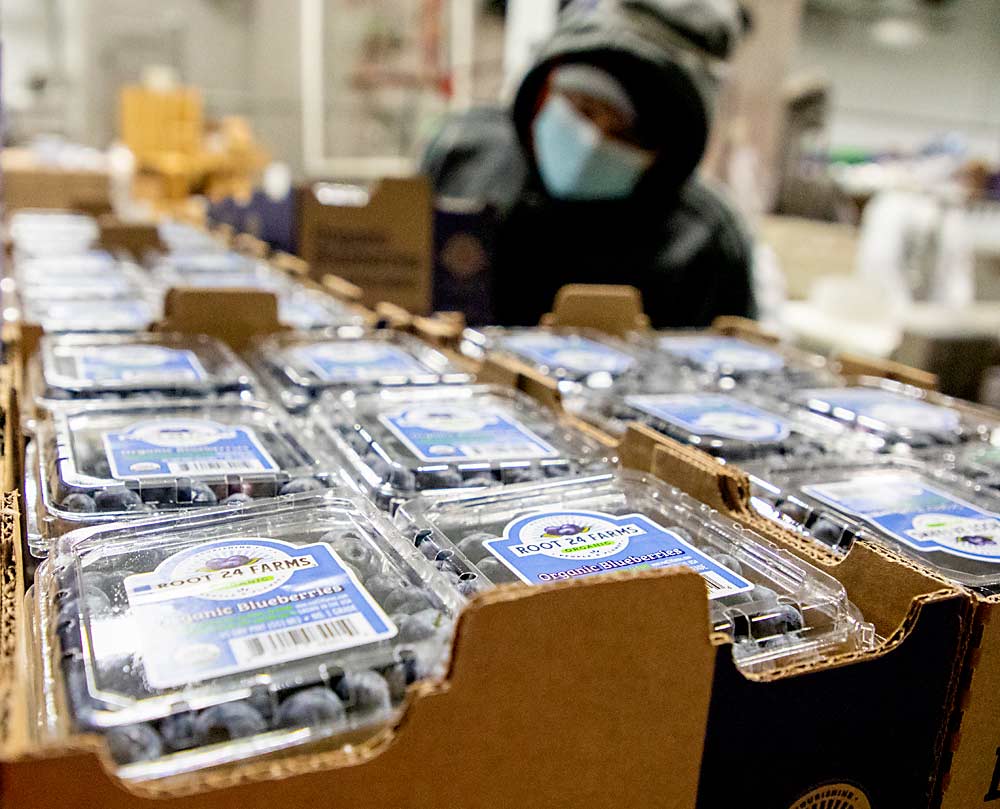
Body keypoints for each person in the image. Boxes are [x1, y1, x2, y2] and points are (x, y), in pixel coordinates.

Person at [422, 0, 756, 328]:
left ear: (668, 152)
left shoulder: (702, 242)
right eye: (583, 109)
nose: (593, 141)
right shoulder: (464, 156)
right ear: (544, 92)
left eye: (627, 133)